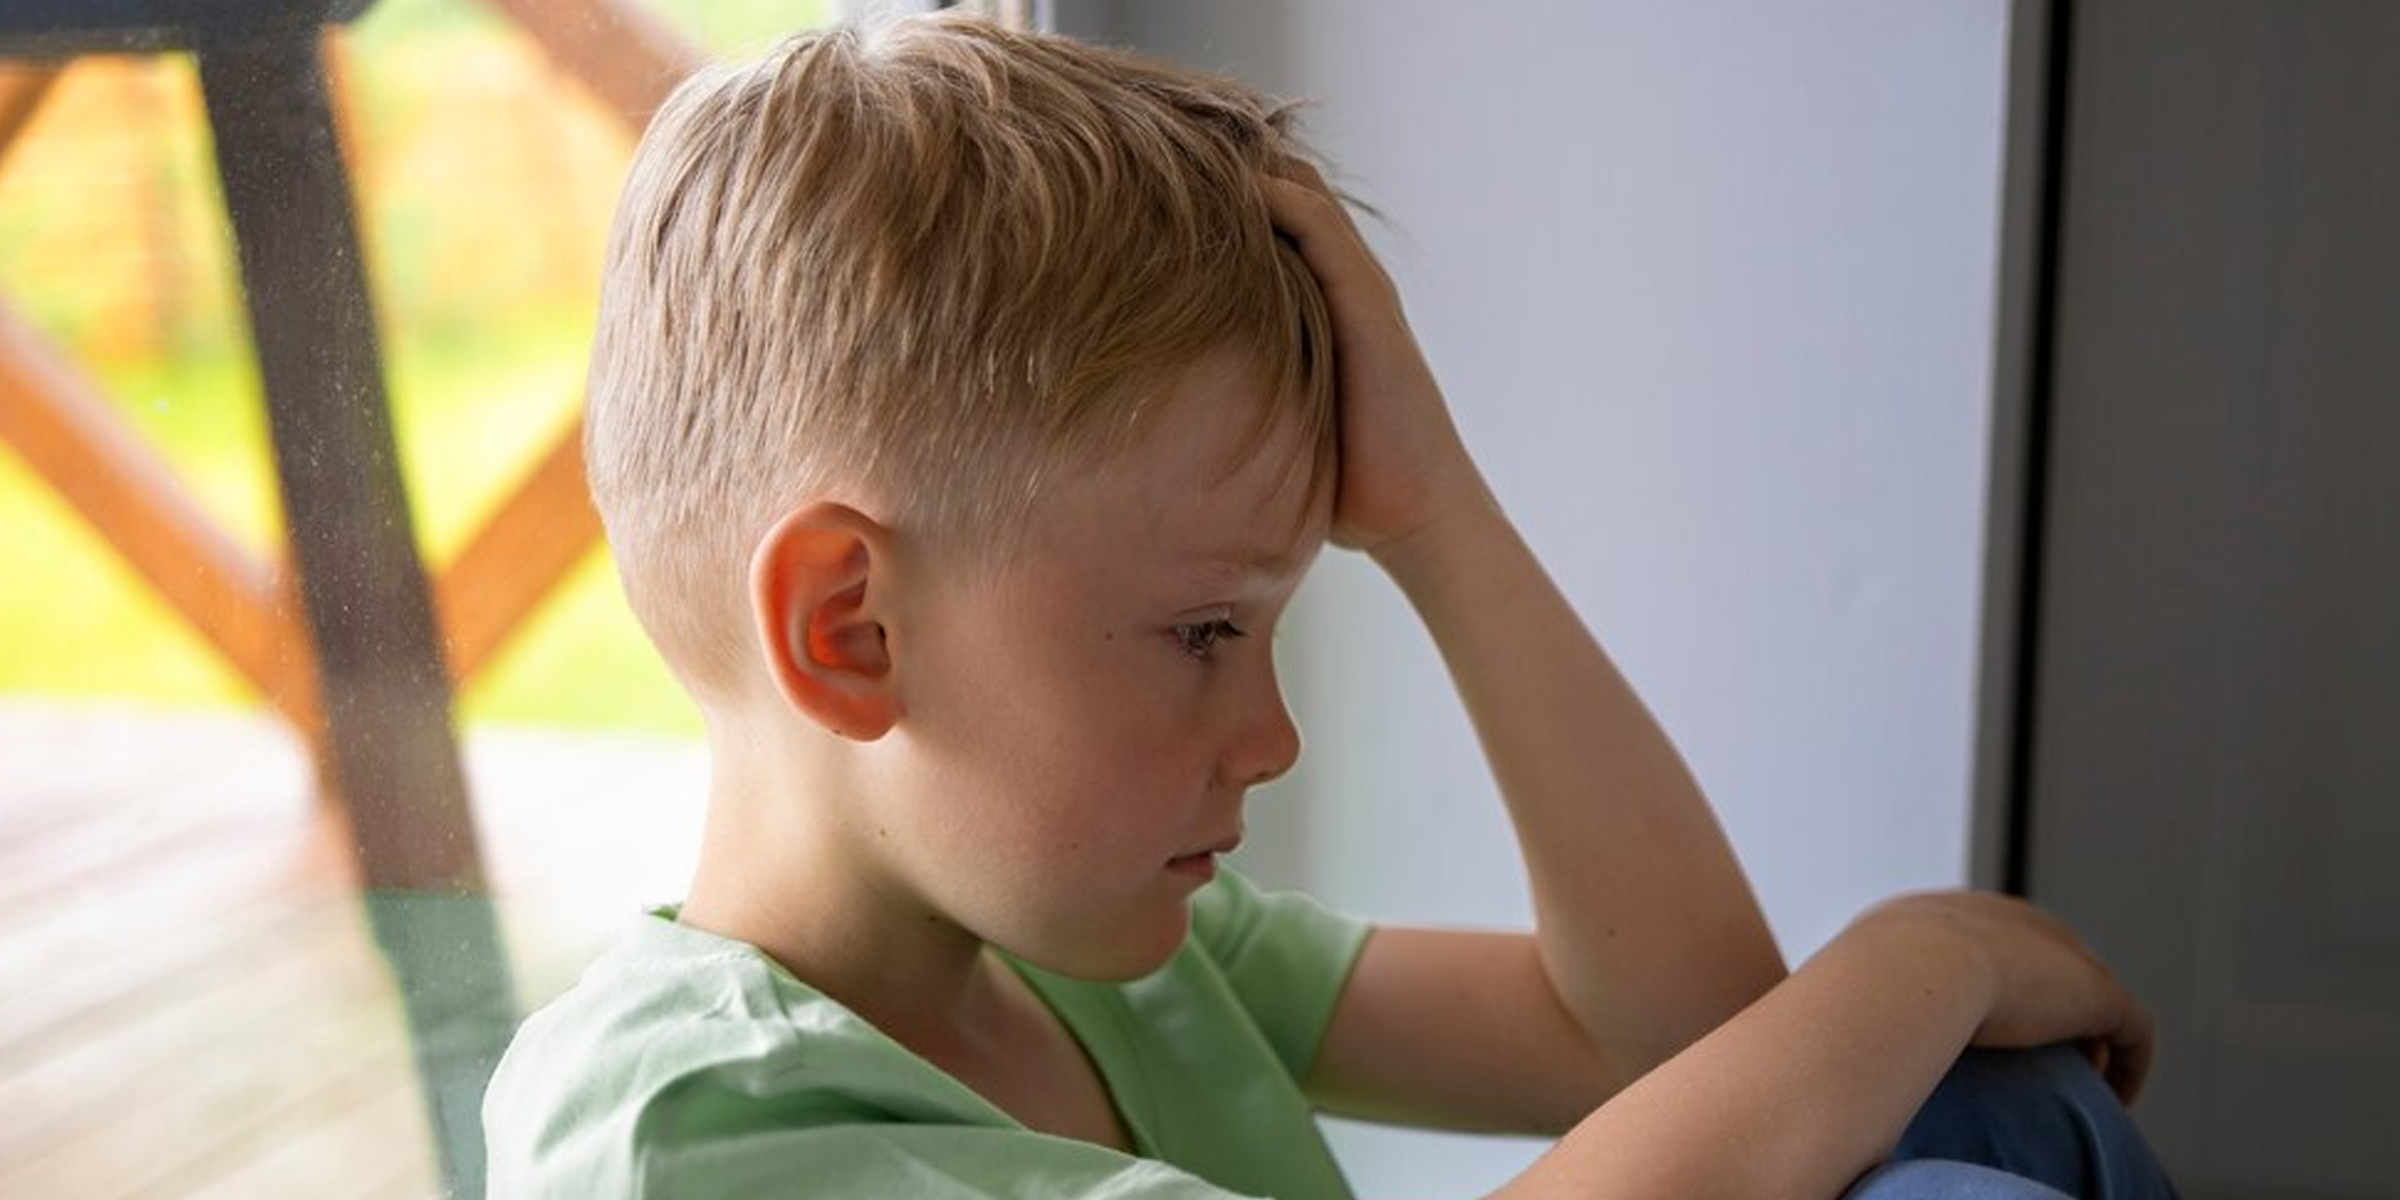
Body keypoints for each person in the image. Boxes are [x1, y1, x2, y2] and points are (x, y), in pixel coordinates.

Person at [482, 12, 2179, 1199]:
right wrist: (1918, 954)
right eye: (1207, 632)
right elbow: (1761, 1060)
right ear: (852, 630)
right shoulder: (679, 1136)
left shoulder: (1118, 966)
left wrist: (1436, 517)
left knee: (1978, 1111)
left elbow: (1680, 1037)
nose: (1274, 736)